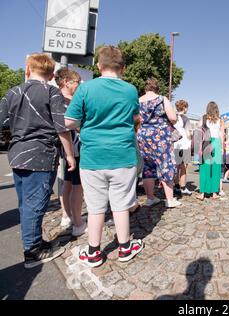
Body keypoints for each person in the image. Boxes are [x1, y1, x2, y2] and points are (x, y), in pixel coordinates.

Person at [65, 46, 144, 267]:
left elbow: (69, 122)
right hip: (123, 155)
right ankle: (125, 248)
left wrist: (86, 126)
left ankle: (93, 252)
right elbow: (136, 117)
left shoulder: (86, 88)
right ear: (123, 68)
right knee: (120, 204)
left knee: (96, 206)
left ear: (99, 66)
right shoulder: (130, 90)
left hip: (93, 157)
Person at [0, 53, 75, 268]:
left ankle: (34, 241)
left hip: (17, 155)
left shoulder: (12, 92)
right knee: (35, 205)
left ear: (27, 70)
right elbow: (62, 128)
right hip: (41, 155)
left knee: (26, 204)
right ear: (52, 75)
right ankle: (33, 252)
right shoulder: (52, 92)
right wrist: (69, 155)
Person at [137, 77, 181, 208]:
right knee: (165, 164)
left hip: (143, 136)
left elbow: (135, 119)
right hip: (160, 136)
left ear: (146, 88)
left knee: (147, 167)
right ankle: (170, 199)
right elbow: (172, 118)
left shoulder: (138, 101)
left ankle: (150, 198)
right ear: (157, 88)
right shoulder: (162, 99)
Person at [54, 68, 87, 237]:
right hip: (74, 147)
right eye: (76, 82)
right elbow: (75, 126)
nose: (79, 85)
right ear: (67, 82)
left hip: (63, 148)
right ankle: (78, 223)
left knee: (67, 183)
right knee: (77, 186)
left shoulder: (54, 98)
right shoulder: (69, 101)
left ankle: (66, 216)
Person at [197, 102, 224, 200]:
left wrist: (199, 147)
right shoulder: (220, 120)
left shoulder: (203, 118)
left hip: (206, 142)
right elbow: (222, 135)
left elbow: (199, 133)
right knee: (216, 169)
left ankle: (202, 193)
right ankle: (214, 193)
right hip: (216, 142)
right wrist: (222, 148)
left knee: (204, 168)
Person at [173, 100, 193, 196]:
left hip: (175, 144)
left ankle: (176, 186)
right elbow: (189, 133)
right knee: (184, 167)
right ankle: (183, 187)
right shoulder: (185, 118)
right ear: (184, 107)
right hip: (184, 144)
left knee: (176, 166)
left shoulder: (173, 117)